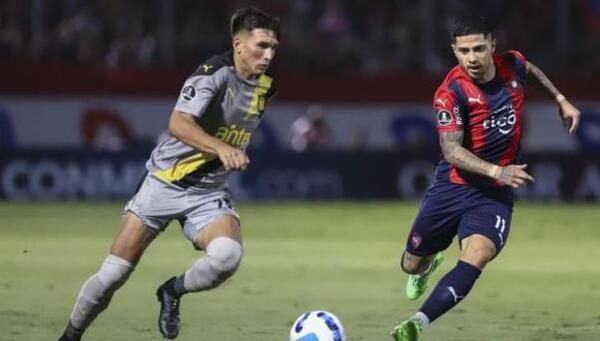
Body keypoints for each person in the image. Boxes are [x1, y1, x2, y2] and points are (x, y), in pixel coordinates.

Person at [58, 7, 280, 340]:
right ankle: (71, 335)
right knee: (114, 274)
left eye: (273, 47)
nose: (268, 55)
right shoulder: (212, 74)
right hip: (164, 183)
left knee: (227, 258)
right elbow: (178, 123)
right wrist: (220, 148)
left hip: (209, 192)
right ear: (237, 43)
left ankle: (171, 292)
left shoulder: (266, 86)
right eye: (261, 45)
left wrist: (227, 150)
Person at [390, 14, 581, 341]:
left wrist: (561, 100)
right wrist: (497, 170)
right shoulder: (450, 93)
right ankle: (428, 262)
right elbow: (451, 150)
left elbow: (530, 69)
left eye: (479, 49)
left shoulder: (512, 66)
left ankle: (417, 324)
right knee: (410, 264)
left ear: (493, 45)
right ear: (454, 51)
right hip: (452, 187)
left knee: (476, 255)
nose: (472, 58)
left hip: (492, 196)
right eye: (464, 51)